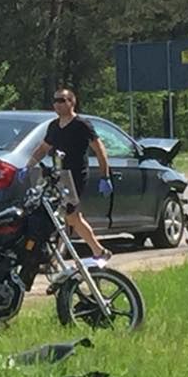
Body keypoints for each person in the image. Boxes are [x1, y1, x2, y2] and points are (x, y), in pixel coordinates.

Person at [24, 88, 112, 261]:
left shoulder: (82, 124)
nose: (57, 104)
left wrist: (105, 176)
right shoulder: (54, 126)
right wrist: (28, 166)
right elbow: (43, 148)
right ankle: (97, 251)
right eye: (55, 101)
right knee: (63, 216)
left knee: (70, 215)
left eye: (62, 100)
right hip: (58, 175)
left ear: (72, 102)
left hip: (76, 175)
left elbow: (99, 149)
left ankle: (94, 251)